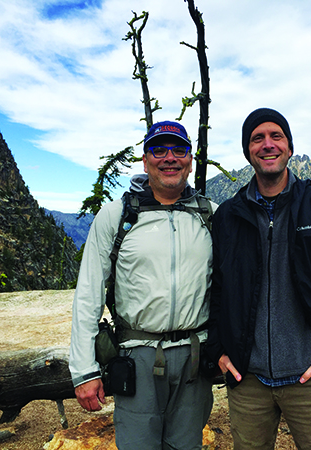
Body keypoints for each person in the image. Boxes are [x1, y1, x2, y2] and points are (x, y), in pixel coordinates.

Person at [206, 108, 311, 450]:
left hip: (310, 376)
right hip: (247, 380)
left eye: (276, 136)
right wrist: (219, 350)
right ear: (248, 152)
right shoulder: (228, 216)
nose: (268, 144)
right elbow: (216, 291)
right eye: (257, 138)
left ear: (290, 148)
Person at [69, 120, 215, 450]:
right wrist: (84, 370)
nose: (169, 158)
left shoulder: (209, 216)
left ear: (190, 161)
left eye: (179, 150)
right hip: (138, 356)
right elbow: (89, 293)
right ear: (145, 161)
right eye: (158, 150)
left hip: (195, 357)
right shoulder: (117, 216)